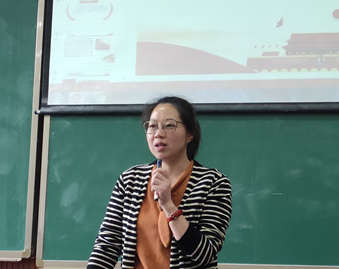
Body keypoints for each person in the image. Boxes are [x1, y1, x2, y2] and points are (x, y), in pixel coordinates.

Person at [88, 96, 232, 269]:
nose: (158, 134)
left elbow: (204, 254)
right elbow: (107, 245)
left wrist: (169, 206)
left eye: (169, 125)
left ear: (190, 134)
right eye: (152, 126)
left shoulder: (213, 183)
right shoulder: (130, 179)